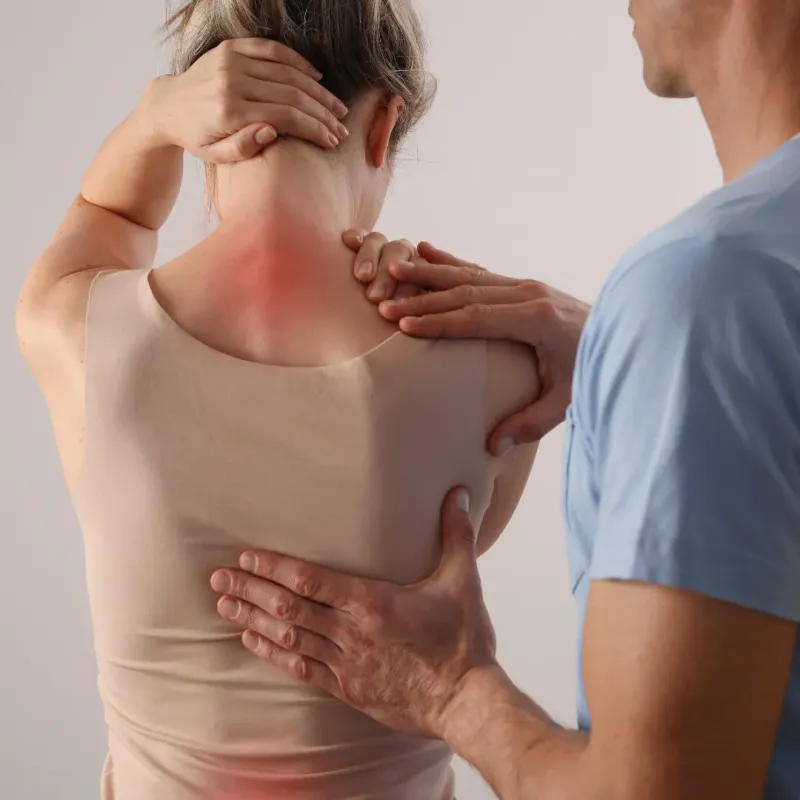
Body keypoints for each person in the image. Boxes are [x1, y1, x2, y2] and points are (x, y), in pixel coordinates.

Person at [210, 1, 800, 798]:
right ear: (384, 129)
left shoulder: (711, 291)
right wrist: (629, 357)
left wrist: (452, 692)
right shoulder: (732, 297)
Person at [16, 1, 540, 798]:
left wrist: (151, 117)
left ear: (201, 138)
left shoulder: (77, 328)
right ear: (383, 125)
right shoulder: (507, 365)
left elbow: (108, 213)